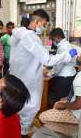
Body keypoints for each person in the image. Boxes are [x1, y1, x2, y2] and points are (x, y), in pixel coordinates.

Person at [9, 9, 77, 137]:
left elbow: (33, 54)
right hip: (28, 79)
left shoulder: (18, 34)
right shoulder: (29, 37)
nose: (44, 27)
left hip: (18, 77)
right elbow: (47, 59)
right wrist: (67, 56)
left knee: (18, 105)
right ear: (37, 22)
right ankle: (23, 132)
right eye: (44, 24)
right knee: (30, 106)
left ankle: (20, 129)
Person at [39, 49, 81, 136]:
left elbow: (78, 104)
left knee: (42, 116)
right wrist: (67, 99)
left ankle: (65, 133)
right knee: (58, 103)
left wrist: (64, 105)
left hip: (78, 116)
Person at [48, 28, 76, 106]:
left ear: (57, 37)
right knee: (65, 99)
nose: (53, 41)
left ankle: (57, 116)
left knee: (60, 101)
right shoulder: (67, 44)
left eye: (53, 39)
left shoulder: (62, 48)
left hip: (64, 78)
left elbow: (59, 66)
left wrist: (50, 73)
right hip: (70, 75)